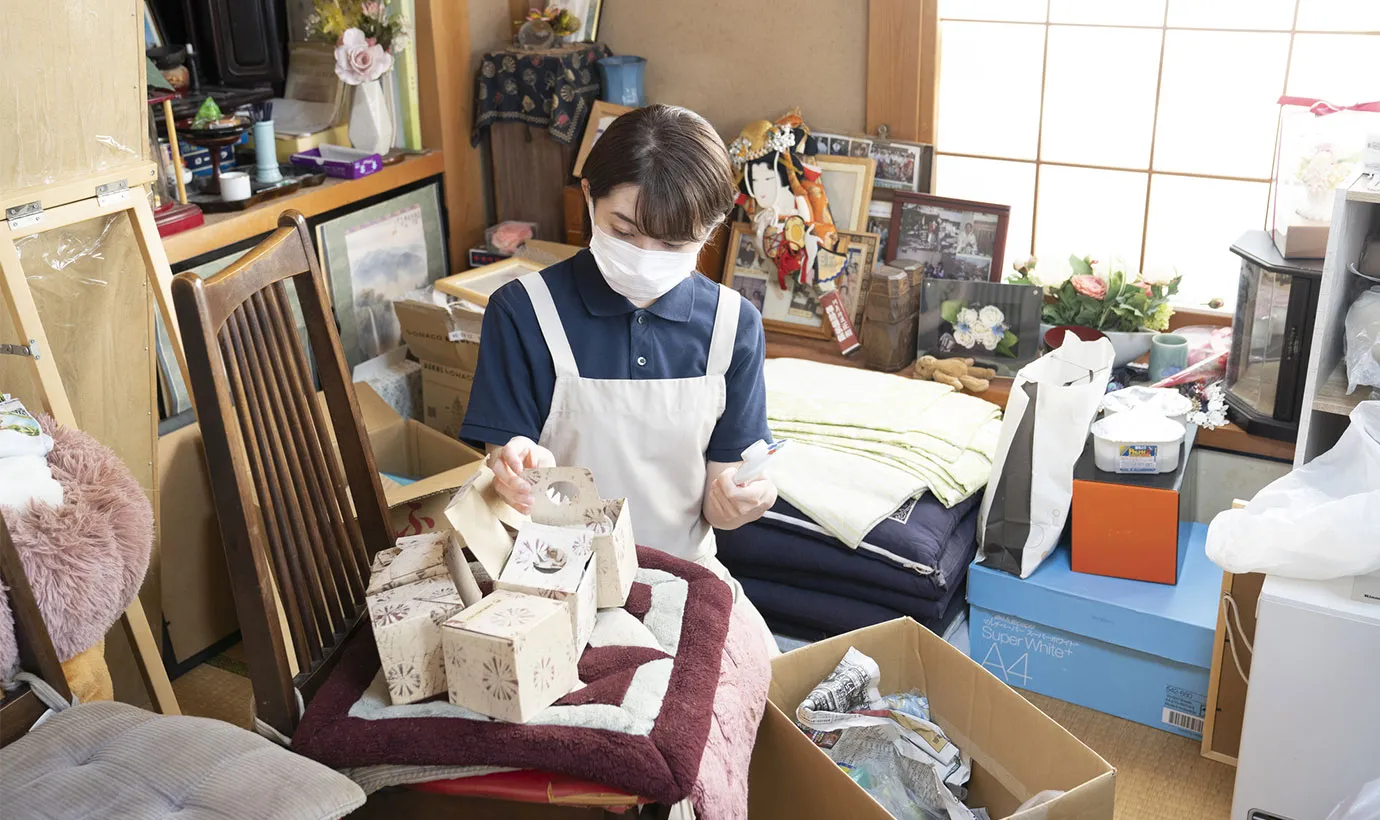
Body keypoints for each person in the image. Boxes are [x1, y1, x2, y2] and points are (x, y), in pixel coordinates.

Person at [460, 104, 780, 654]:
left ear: (712, 230)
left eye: (675, 243)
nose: (644, 258)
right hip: (557, 581)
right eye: (624, 230)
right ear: (588, 194)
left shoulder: (733, 325)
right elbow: (508, 461)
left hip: (683, 578)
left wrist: (743, 500)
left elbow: (723, 492)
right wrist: (512, 467)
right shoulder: (524, 312)